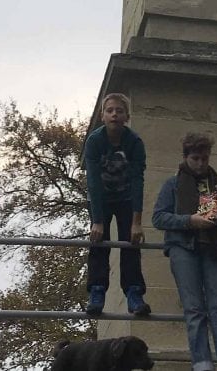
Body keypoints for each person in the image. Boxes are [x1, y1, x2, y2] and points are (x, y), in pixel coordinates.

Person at [152, 132, 217, 371]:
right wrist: (190, 221)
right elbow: (158, 218)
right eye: (195, 158)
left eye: (204, 158)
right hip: (184, 249)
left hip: (215, 249)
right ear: (186, 157)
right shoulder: (172, 184)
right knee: (194, 308)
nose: (201, 163)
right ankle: (202, 362)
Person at [83, 93, 150, 316]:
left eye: (119, 111)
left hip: (125, 198)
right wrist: (98, 222)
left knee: (130, 243)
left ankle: (134, 292)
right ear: (103, 116)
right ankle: (97, 290)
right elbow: (92, 181)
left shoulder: (134, 143)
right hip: (101, 197)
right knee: (98, 240)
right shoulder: (95, 141)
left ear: (127, 117)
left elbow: (138, 181)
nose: (114, 115)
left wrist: (137, 222)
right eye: (110, 110)